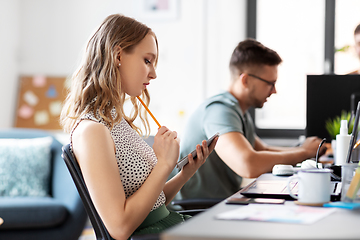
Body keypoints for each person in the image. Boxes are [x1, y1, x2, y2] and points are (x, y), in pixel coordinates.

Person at [60, 14, 217, 240]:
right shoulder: (92, 130)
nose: (153, 73)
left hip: (169, 226)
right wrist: (163, 164)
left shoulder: (115, 120)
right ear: (118, 55)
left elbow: (151, 204)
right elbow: (120, 227)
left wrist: (184, 173)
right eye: (147, 60)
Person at [178, 38, 327, 200]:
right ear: (245, 80)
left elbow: (263, 150)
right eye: (270, 83)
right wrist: (304, 153)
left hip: (217, 202)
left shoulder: (238, 110)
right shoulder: (220, 110)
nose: (274, 91)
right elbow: (248, 164)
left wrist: (308, 150)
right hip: (195, 209)